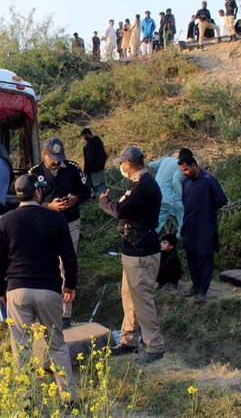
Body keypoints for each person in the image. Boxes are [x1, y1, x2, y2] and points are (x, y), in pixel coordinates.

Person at [0, 173, 78, 402]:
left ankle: (26, 400)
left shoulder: (5, 221)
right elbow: (69, 258)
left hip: (17, 290)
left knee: (22, 347)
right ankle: (68, 399)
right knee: (56, 344)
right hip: (49, 290)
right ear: (38, 193)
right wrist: (70, 285)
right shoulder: (56, 219)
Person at [99, 146, 165, 365]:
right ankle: (128, 339)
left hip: (141, 251)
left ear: (128, 163)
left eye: (121, 163)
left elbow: (120, 210)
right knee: (128, 296)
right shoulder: (139, 184)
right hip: (133, 249)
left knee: (142, 300)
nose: (120, 167)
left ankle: (154, 346)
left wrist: (104, 203)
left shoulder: (144, 186)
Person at [30, 138, 91, 329]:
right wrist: (49, 206)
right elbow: (27, 201)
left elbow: (86, 192)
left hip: (70, 222)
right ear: (44, 155)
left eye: (59, 158)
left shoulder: (72, 169)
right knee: (46, 264)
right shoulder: (35, 173)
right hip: (45, 224)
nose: (57, 162)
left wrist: (76, 198)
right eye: (53, 158)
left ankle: (65, 314)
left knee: (67, 263)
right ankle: (45, 309)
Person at [177, 148, 228, 304]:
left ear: (194, 165)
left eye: (186, 169)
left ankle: (202, 291)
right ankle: (195, 285)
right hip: (190, 226)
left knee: (205, 258)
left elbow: (222, 200)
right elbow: (186, 203)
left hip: (206, 226)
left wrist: (207, 209)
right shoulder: (186, 183)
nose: (184, 172)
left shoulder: (208, 179)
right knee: (192, 257)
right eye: (182, 170)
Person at [148, 154, 184, 235]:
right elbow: (175, 182)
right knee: (183, 212)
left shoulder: (164, 160)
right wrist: (183, 196)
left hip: (156, 195)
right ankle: (181, 237)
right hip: (168, 196)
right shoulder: (179, 164)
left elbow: (150, 165)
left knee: (158, 221)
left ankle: (147, 240)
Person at [81, 127, 107, 195]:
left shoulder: (90, 145)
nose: (84, 138)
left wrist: (86, 170)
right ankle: (106, 198)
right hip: (101, 167)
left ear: (88, 134)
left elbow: (90, 158)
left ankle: (102, 200)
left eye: (84, 136)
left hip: (93, 169)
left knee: (97, 186)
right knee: (102, 185)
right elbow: (104, 155)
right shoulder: (99, 141)